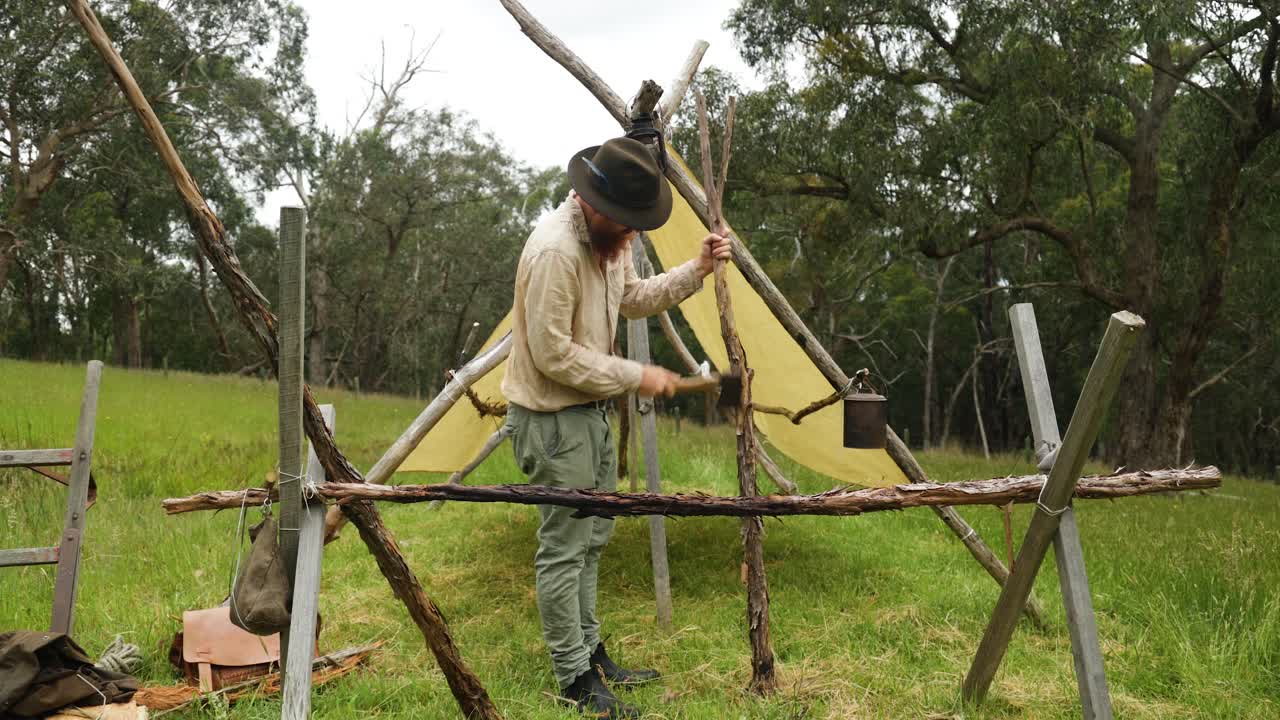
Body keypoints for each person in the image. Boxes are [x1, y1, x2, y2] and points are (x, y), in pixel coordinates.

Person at [500, 136, 731, 718]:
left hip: (590, 416)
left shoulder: (610, 243)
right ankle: (574, 678)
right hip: (552, 422)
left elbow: (631, 299)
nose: (632, 237)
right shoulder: (555, 251)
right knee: (564, 549)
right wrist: (635, 374)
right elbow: (553, 354)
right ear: (593, 204)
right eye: (627, 225)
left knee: (592, 542)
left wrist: (697, 270)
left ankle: (590, 653)